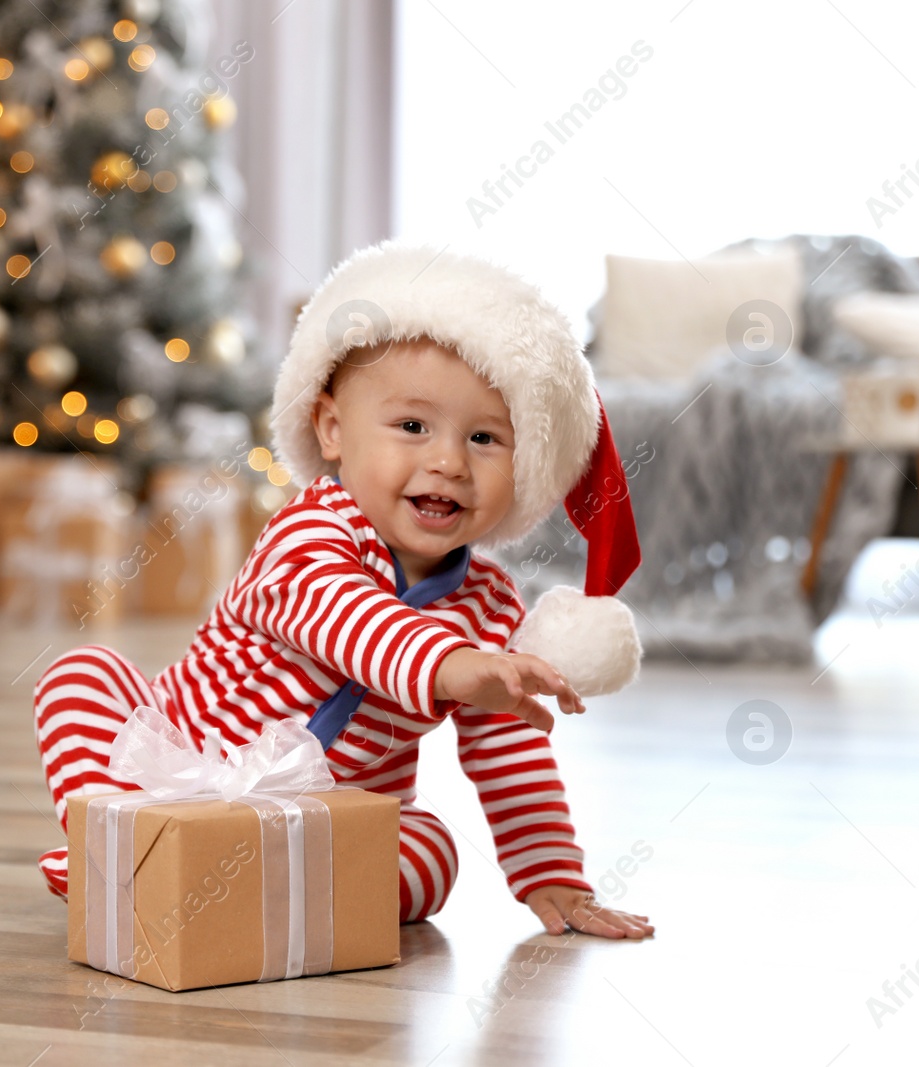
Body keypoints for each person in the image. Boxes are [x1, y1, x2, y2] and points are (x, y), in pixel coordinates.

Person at [33, 241, 654, 939]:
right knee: (81, 674)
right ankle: (120, 839)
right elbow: (346, 619)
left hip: (322, 817)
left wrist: (553, 872)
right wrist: (452, 666)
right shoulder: (311, 529)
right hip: (182, 762)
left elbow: (510, 748)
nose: (448, 461)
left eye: (485, 438)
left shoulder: (490, 604)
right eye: (413, 426)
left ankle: (249, 884)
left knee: (432, 852)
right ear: (332, 430)